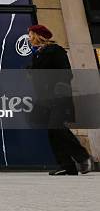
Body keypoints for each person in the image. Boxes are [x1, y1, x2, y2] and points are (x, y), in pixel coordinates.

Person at [27, 24, 92, 175]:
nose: (28, 38)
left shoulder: (56, 51)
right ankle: (66, 165)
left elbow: (66, 73)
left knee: (57, 127)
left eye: (30, 34)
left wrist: (59, 91)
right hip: (45, 99)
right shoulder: (37, 54)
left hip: (58, 97)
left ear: (38, 35)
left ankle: (82, 157)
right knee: (52, 131)